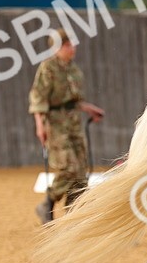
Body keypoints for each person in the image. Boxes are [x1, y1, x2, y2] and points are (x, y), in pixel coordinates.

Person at [29, 30, 105, 223]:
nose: (73, 48)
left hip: (74, 123)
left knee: (81, 172)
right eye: (67, 45)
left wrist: (89, 109)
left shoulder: (74, 70)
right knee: (68, 167)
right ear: (56, 48)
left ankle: (73, 214)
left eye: (72, 44)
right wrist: (40, 126)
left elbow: (74, 100)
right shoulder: (48, 68)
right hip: (56, 124)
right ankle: (47, 203)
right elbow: (38, 99)